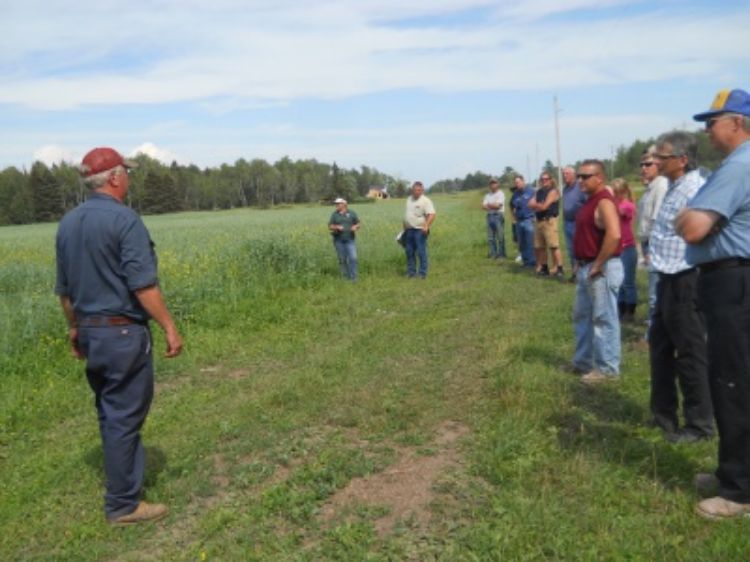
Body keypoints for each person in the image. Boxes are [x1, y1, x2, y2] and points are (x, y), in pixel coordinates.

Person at [55, 147, 183, 526]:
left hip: (93, 333)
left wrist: (76, 328)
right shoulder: (124, 220)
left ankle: (123, 485)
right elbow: (143, 285)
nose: (128, 177)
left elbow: (65, 291)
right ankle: (123, 504)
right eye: (126, 172)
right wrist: (169, 326)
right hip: (123, 334)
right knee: (125, 415)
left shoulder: (68, 223)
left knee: (111, 412)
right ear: (113, 178)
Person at [675, 88, 750, 519]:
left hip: (734, 283)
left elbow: (692, 227)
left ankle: (739, 490)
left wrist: (688, 214)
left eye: (713, 120)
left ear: (736, 122)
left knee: (734, 382)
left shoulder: (738, 167)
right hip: (735, 280)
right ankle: (733, 471)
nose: (707, 129)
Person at [648, 131, 713, 445]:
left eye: (663, 156)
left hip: (686, 279)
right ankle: (663, 416)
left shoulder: (697, 189)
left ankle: (699, 425)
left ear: (682, 160)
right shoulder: (674, 187)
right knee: (659, 347)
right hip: (666, 277)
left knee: (689, 352)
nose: (657, 161)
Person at [571, 160, 623, 384]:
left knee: (603, 319)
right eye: (579, 176)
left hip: (600, 269)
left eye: (585, 176)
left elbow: (614, 235)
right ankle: (583, 362)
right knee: (582, 317)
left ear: (599, 178)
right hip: (587, 267)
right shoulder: (590, 201)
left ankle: (607, 369)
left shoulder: (604, 202)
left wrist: (598, 264)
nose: (580, 180)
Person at [636, 148, 668, 335]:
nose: (644, 168)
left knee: (655, 292)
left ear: (658, 165)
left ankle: (652, 334)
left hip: (654, 242)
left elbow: (658, 220)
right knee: (655, 288)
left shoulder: (661, 185)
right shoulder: (651, 186)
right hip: (647, 241)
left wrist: (651, 249)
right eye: (642, 165)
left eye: (648, 164)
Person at [611, 178, 638, 321]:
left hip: (628, 248)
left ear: (624, 192)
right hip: (617, 248)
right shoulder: (614, 204)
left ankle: (630, 310)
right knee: (618, 282)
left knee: (628, 282)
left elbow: (622, 211)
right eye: (614, 192)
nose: (615, 195)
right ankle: (620, 308)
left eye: (618, 192)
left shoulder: (628, 205)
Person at [528, 172, 564, 277]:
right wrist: (539, 205)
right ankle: (544, 268)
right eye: (542, 179)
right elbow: (529, 204)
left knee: (553, 246)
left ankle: (559, 268)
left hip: (549, 221)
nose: (544, 181)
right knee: (540, 246)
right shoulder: (538, 192)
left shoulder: (553, 191)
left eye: (546, 179)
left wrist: (537, 205)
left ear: (551, 180)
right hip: (539, 221)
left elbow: (545, 207)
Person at [403, 181, 436, 278]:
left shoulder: (426, 201)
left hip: (420, 230)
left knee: (421, 252)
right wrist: (404, 226)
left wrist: (426, 226)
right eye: (414, 190)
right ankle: (411, 272)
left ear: (422, 190)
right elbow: (407, 213)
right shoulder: (409, 199)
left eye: (418, 190)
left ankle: (422, 273)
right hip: (409, 229)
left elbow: (432, 214)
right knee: (409, 251)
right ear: (412, 190)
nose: (416, 192)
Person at [561, 166, 587, 278]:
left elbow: (587, 203)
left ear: (574, 174)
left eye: (567, 173)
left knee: (580, 250)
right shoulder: (565, 188)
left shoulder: (580, 187)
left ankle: (582, 274)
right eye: (563, 174)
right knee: (571, 250)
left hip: (578, 224)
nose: (564, 176)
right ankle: (575, 273)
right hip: (567, 222)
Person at [328, 197, 360, 281]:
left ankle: (353, 278)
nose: (336, 205)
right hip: (338, 240)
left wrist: (355, 227)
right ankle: (345, 278)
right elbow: (330, 226)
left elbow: (358, 223)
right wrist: (337, 227)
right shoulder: (335, 214)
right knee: (342, 259)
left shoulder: (352, 213)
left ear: (344, 204)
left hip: (350, 240)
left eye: (338, 204)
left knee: (353, 258)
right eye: (336, 204)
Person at [510, 175, 536, 268]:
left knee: (530, 242)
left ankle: (532, 262)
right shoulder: (515, 194)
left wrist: (535, 216)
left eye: (519, 182)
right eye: (516, 183)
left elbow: (538, 202)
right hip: (519, 221)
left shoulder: (531, 191)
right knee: (522, 243)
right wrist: (513, 217)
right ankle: (526, 262)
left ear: (523, 181)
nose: (517, 184)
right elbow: (511, 205)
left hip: (529, 219)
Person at [481, 179, 506, 259]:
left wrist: (489, 205)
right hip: (489, 216)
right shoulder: (487, 195)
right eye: (491, 183)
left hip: (498, 215)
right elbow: (483, 206)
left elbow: (498, 206)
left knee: (500, 237)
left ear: (498, 184)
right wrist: (492, 205)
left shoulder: (501, 194)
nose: (493, 185)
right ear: (489, 185)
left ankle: (501, 254)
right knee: (491, 238)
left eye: (494, 183)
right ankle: (493, 254)